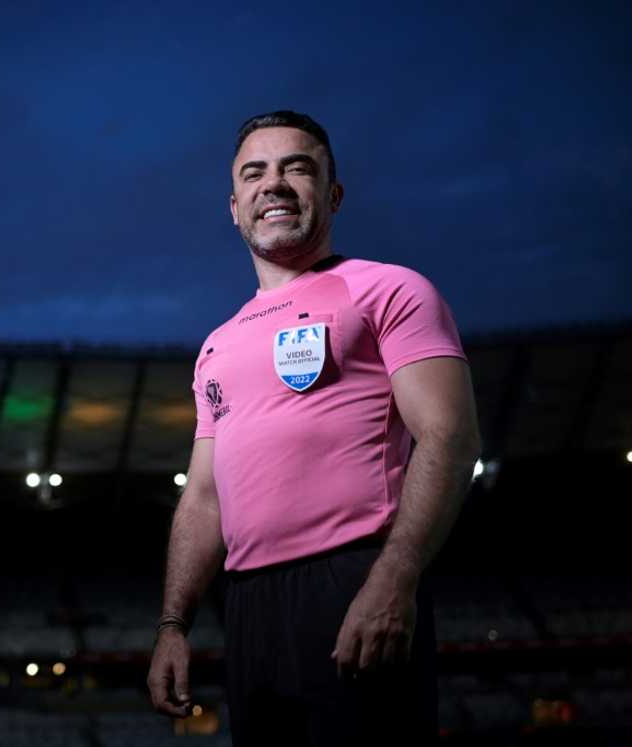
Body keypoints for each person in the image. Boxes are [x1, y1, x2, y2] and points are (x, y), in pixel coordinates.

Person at [146, 110, 481, 745]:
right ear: (235, 205)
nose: (273, 184)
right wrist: (174, 625)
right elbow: (204, 495)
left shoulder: (389, 290)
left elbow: (450, 437)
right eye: (255, 173)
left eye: (296, 168)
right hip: (247, 606)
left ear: (332, 193)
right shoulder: (216, 345)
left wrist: (395, 575)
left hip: (354, 578)